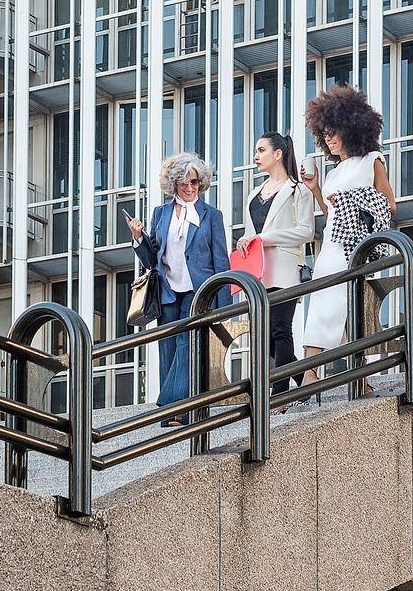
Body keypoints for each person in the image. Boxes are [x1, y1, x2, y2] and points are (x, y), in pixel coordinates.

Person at [298, 85, 397, 390]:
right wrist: (316, 190)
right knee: (329, 304)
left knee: (343, 305)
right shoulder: (332, 172)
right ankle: (338, 376)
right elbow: (331, 216)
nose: (328, 138)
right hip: (332, 244)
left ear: (352, 129)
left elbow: (389, 203)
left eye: (334, 131)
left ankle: (317, 374)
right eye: (324, 133)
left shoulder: (372, 160)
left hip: (356, 247)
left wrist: (351, 198)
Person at [126, 152, 231, 420]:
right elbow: (152, 259)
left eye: (194, 182)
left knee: (187, 343)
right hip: (168, 291)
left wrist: (225, 305)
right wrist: (138, 238)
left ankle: (170, 406)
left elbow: (221, 261)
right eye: (183, 182)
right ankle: (177, 412)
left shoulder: (211, 216)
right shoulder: (160, 213)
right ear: (173, 183)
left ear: (201, 183)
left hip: (199, 291)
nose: (189, 187)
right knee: (169, 349)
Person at [241, 131, 315, 392]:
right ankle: (304, 379)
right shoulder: (253, 194)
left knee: (281, 329)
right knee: (267, 336)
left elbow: (306, 231)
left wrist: (265, 237)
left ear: (278, 154)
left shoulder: (298, 191)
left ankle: (279, 393)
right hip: (258, 272)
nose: (256, 156)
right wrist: (246, 240)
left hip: (285, 269)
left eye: (261, 150)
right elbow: (253, 233)